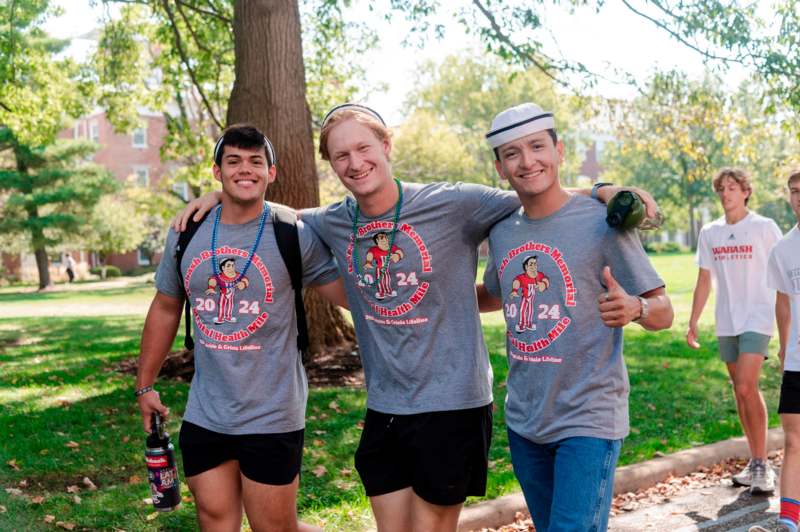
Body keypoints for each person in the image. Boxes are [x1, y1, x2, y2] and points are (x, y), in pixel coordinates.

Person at [174, 103, 659, 532]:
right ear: (332, 165)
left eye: (363, 148)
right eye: (341, 156)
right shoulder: (336, 220)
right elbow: (276, 213)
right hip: (385, 405)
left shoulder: (454, 203)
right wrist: (222, 196)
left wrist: (604, 189)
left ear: (386, 146)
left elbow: (536, 189)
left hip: (453, 403)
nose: (355, 162)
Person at [136, 124, 346, 532]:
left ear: (272, 172)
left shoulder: (293, 234)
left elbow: (348, 294)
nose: (244, 170)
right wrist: (145, 386)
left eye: (255, 162)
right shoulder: (186, 232)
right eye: (233, 161)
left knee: (274, 527)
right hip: (206, 412)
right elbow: (165, 307)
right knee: (214, 519)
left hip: (273, 415)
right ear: (217, 171)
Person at [479, 102, 673, 532]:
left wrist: (636, 308)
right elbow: (496, 294)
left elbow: (663, 312)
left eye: (536, 146)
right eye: (512, 153)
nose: (527, 161)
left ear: (559, 150)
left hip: (588, 416)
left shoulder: (602, 223)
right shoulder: (503, 230)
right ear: (499, 167)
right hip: (525, 418)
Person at [687, 167, 783, 494]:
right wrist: (693, 320)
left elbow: (785, 266)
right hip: (727, 319)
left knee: (746, 385)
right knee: (738, 390)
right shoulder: (710, 232)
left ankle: (763, 465)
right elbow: (704, 279)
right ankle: (755, 460)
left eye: (732, 187)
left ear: (745, 192)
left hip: (758, 315)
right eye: (722, 188)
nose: (726, 193)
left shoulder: (763, 227)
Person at [750, 169, 800, 532]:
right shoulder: (784, 249)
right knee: (795, 440)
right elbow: (783, 302)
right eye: (794, 191)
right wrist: (785, 349)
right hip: (799, 360)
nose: (799, 197)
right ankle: (788, 522)